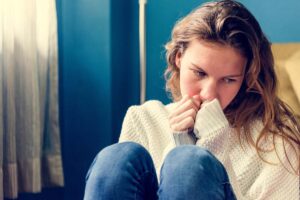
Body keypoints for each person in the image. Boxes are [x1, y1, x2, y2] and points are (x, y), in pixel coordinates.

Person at [84, 0, 300, 199]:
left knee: (187, 163)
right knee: (116, 158)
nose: (208, 94)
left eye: (228, 80)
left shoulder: (275, 137)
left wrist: (212, 147)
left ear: (246, 78)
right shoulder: (144, 118)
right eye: (200, 73)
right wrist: (180, 143)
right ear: (179, 58)